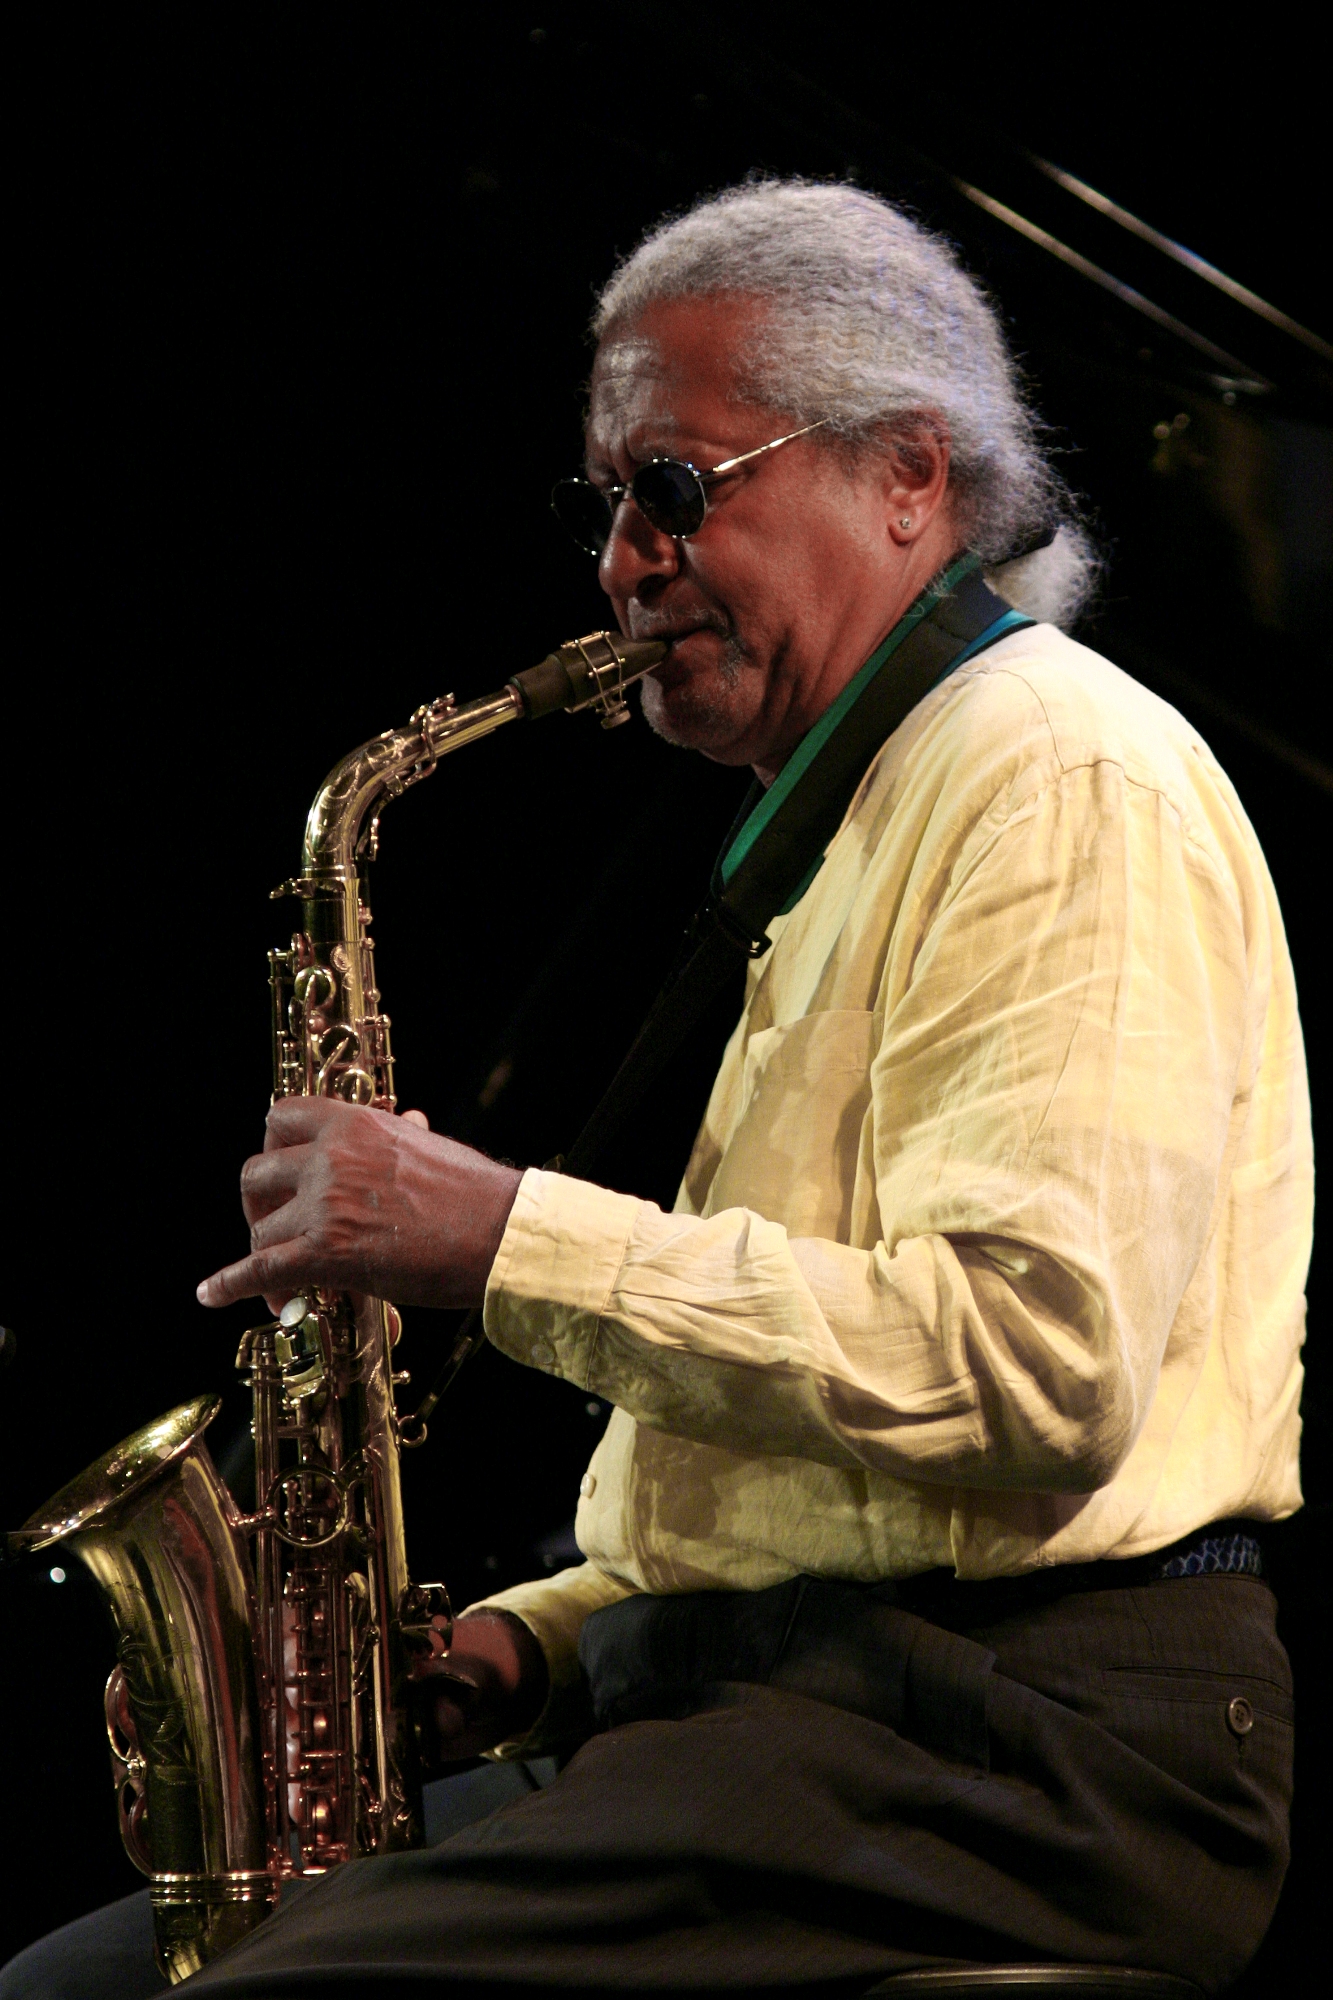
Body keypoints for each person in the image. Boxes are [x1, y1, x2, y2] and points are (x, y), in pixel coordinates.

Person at [4, 180, 1306, 1999]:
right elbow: (843, 1443)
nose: (621, 557)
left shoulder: (1054, 776)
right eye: (605, 501)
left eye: (676, 487)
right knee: (77, 1980)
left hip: (1019, 1741)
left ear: (906, 476)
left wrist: (502, 1236)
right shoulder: (868, 814)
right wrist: (547, 1639)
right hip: (820, 1698)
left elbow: (1031, 1373)